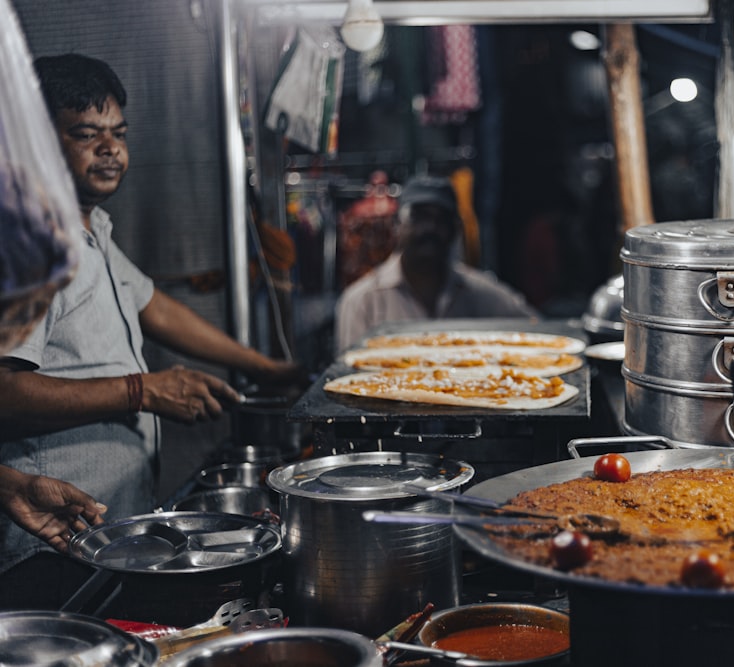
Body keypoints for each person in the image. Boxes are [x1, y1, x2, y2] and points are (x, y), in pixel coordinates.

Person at [0, 53, 301, 609]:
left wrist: (270, 369)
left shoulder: (90, 230)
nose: (110, 149)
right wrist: (143, 390)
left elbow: (155, 307)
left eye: (118, 133)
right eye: (85, 134)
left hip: (106, 533)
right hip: (47, 549)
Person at [335, 175, 538, 353]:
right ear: (397, 225)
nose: (430, 227)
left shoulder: (484, 295)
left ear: (455, 229)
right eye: (419, 217)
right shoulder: (362, 302)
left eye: (442, 219)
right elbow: (348, 374)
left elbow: (538, 331)